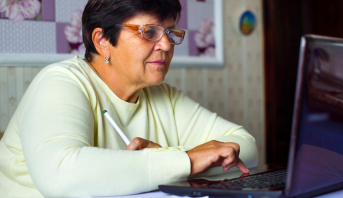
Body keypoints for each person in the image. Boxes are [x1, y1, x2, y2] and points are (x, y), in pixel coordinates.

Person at [0, 0, 258, 197]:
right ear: (102, 40)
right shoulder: (61, 82)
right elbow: (61, 174)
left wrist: (165, 158)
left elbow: (245, 148)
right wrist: (185, 161)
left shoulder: (163, 96)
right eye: (149, 32)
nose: (166, 46)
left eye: (170, 33)